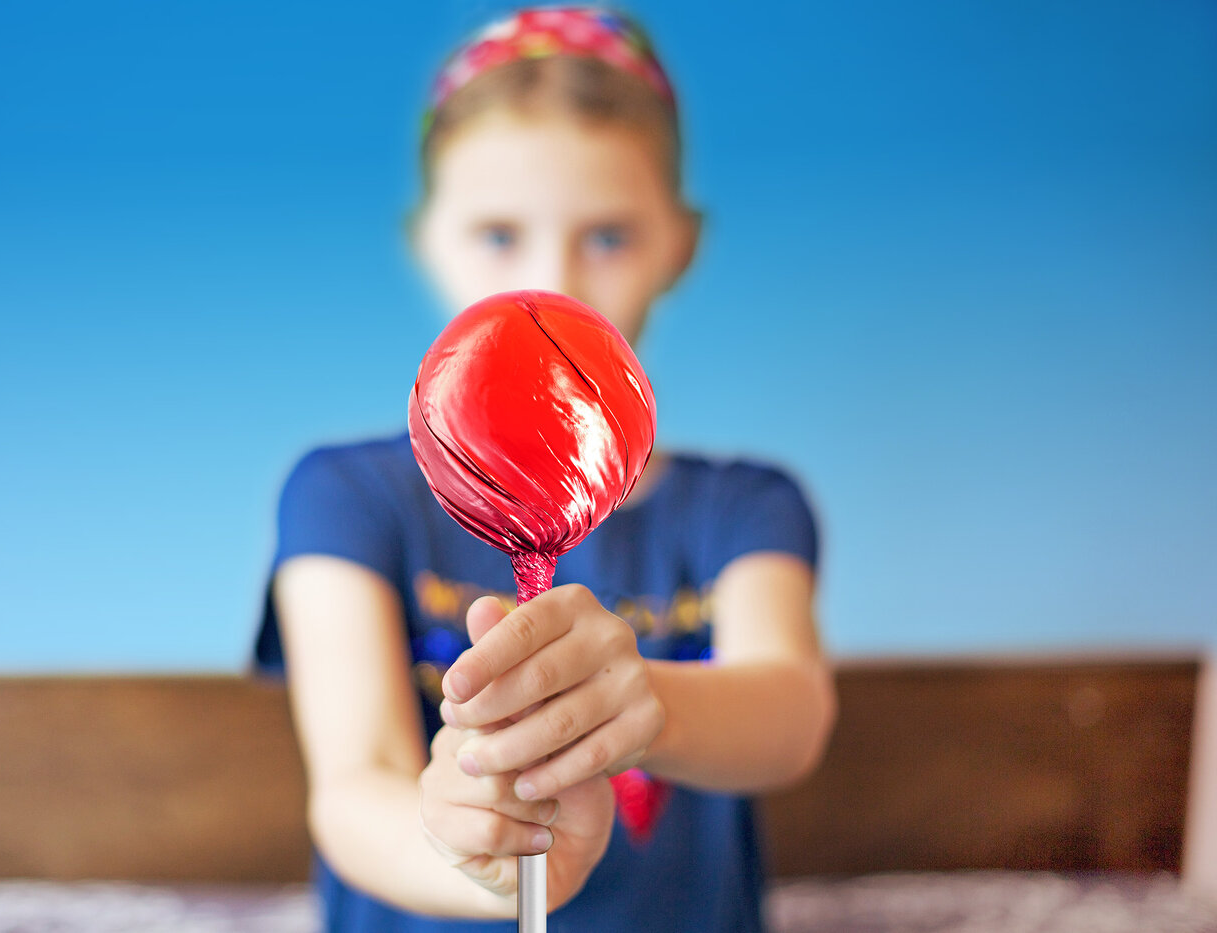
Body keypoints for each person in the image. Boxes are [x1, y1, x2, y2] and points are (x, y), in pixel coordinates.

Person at [254, 7, 836, 931]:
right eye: (496, 234)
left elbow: (790, 715)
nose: (551, 283)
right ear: (426, 240)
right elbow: (353, 784)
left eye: (607, 236)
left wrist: (643, 705)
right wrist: (471, 861)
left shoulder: (743, 508)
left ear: (677, 247)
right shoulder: (345, 497)